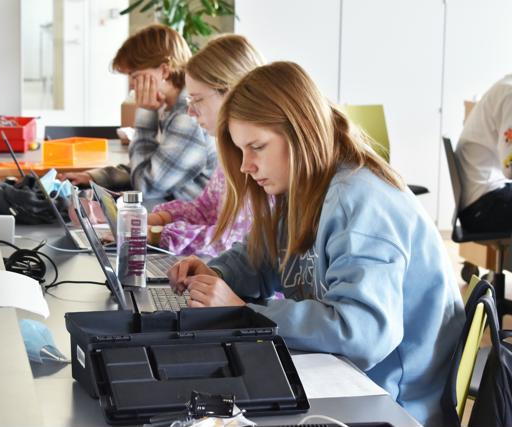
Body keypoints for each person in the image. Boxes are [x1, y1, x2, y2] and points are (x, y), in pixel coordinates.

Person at [168, 62, 464, 426]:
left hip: (394, 403)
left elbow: (362, 333)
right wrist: (214, 274)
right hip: (347, 380)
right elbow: (261, 261)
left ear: (301, 133)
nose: (246, 165)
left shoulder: (358, 201)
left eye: (257, 147)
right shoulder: (306, 188)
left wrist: (241, 311)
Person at [60, 24, 216, 202]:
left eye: (135, 76)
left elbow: (146, 186)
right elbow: (146, 167)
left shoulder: (188, 117)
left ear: (165, 70)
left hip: (192, 223)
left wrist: (145, 114)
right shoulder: (168, 107)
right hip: (170, 213)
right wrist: (96, 177)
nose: (131, 86)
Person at [147, 34, 264, 256]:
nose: (190, 111)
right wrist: (161, 218)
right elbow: (204, 210)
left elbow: (230, 243)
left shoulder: (260, 160)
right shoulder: (231, 149)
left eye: (197, 100)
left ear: (231, 93)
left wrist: (155, 234)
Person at [456, 74, 512, 233]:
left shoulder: (507, 84)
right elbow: (510, 167)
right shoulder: (511, 94)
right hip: (483, 207)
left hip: (484, 199)